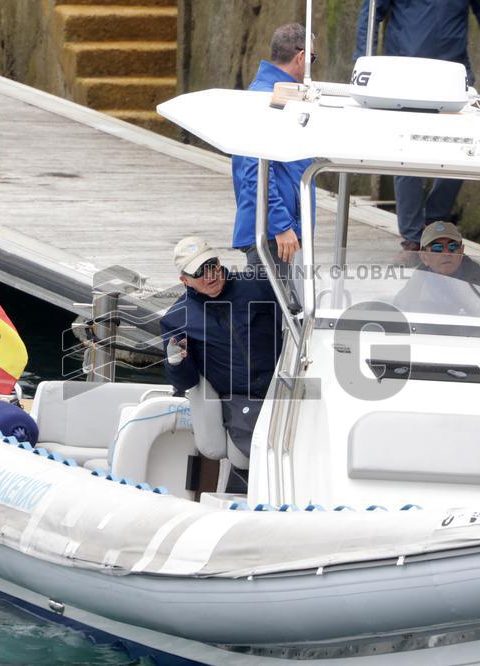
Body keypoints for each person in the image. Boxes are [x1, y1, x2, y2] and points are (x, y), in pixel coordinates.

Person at [353, 0, 480, 261]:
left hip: (453, 73)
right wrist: (362, 60)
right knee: (405, 150)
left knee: (464, 149)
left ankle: (436, 220)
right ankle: (413, 238)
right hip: (403, 70)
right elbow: (372, 12)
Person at [160, 237, 281, 460]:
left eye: (212, 265)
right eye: (199, 272)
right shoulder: (176, 319)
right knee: (263, 449)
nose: (210, 275)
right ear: (184, 280)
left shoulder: (258, 287)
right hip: (239, 399)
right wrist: (176, 362)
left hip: (281, 388)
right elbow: (184, 382)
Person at [232, 24, 314, 274]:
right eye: (313, 58)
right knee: (270, 311)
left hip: (279, 230)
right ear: (301, 57)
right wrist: (281, 226)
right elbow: (255, 170)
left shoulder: (279, 95)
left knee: (285, 309)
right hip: (272, 234)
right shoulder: (268, 100)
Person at [393, 221, 480, 320]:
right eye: (437, 248)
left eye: (453, 247)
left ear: (461, 251)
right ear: (424, 257)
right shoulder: (410, 293)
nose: (446, 253)